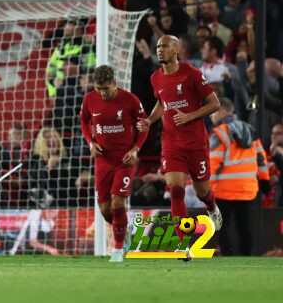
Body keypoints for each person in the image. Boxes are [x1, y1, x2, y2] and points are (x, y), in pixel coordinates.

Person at [137, 35, 222, 262]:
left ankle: (212, 206)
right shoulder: (156, 78)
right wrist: (149, 120)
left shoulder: (191, 73)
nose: (160, 50)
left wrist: (190, 116)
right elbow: (161, 103)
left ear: (176, 48)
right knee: (175, 190)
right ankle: (182, 244)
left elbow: (215, 103)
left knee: (202, 191)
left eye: (164, 46)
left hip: (196, 143)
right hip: (171, 143)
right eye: (157, 47)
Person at [80, 65, 148, 262]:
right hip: (102, 160)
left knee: (118, 201)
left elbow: (144, 125)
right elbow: (84, 121)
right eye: (98, 89)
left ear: (115, 84)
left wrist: (136, 149)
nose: (102, 93)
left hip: (124, 160)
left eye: (106, 89)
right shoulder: (89, 99)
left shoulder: (130, 100)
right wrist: (90, 142)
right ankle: (124, 229)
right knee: (104, 209)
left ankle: (118, 249)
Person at [209, 97, 269, 256]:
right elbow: (261, 157)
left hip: (224, 189)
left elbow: (213, 163)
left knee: (222, 225)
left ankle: (228, 255)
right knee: (245, 226)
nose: (210, 115)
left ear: (221, 111)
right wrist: (265, 179)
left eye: (212, 111)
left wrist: (208, 188)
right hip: (247, 188)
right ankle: (246, 257)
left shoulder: (219, 133)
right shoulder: (250, 130)